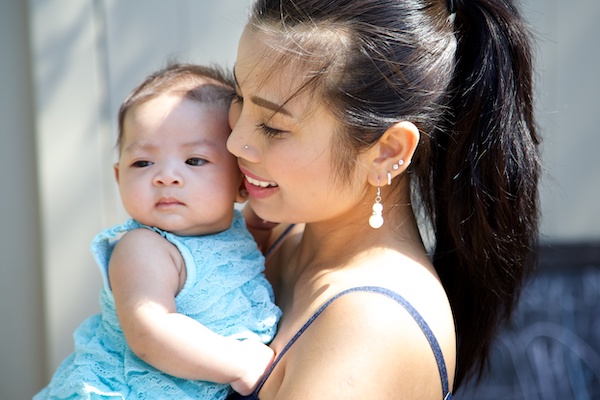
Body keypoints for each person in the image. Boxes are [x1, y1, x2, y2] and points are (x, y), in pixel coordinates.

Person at [225, 0, 540, 398]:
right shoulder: (276, 231)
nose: (235, 141)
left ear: (388, 151)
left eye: (273, 127)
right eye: (239, 96)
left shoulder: (371, 325)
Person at [35, 63, 281, 400]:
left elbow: (235, 262)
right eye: (143, 163)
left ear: (242, 182)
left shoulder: (233, 233)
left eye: (194, 160)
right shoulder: (143, 248)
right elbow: (151, 331)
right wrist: (239, 365)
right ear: (120, 178)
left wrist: (270, 216)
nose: (166, 176)